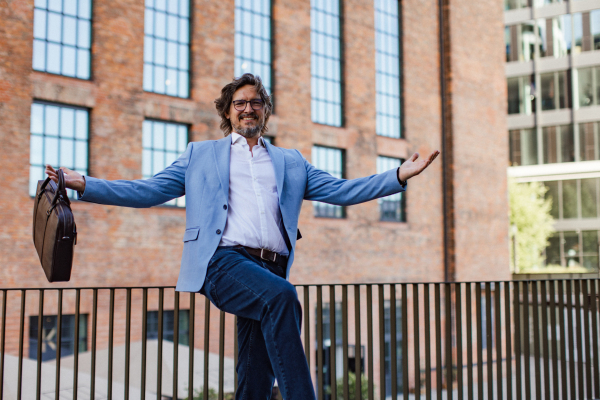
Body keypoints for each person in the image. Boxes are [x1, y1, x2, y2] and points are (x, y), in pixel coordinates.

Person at [45, 73, 439, 399]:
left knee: (254, 371)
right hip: (224, 262)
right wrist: (86, 184)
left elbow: (341, 190)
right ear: (228, 112)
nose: (247, 108)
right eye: (239, 103)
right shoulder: (201, 154)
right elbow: (149, 190)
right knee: (283, 298)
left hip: (271, 269)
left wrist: (398, 175)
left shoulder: (291, 162)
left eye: (255, 102)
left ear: (265, 111)